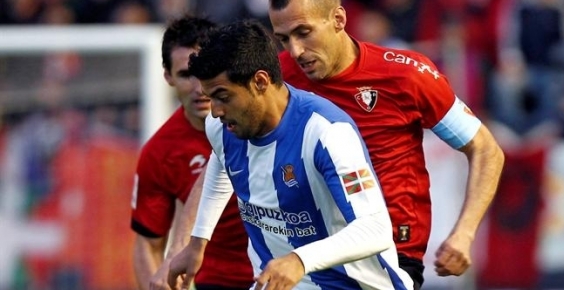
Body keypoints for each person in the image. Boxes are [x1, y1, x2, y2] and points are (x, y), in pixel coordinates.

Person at [268, 0, 505, 289]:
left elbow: (485, 148)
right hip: (312, 254)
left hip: (391, 254)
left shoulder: (405, 75)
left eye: (303, 32)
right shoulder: (278, 80)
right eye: (284, 39)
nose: (295, 51)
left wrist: (464, 232)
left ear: (338, 19)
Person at [167, 19, 415, 290]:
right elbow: (221, 163)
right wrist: (197, 242)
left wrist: (299, 259)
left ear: (260, 81)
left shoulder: (326, 132)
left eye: (223, 96)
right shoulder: (221, 127)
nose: (214, 111)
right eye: (210, 97)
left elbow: (376, 230)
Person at [130, 15, 252, 290]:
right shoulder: (160, 152)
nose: (200, 88)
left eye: (204, 70)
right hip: (217, 282)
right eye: (186, 74)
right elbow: (148, 245)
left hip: (285, 270)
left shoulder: (257, 121)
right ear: (168, 77)